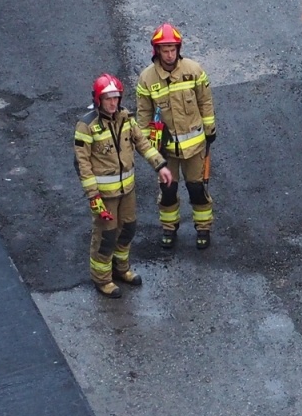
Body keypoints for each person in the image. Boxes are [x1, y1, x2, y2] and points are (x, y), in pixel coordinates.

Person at [75, 74, 173, 298]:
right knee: (106, 236)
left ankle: (121, 269)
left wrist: (161, 166)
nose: (113, 103)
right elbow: (83, 164)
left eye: (116, 98)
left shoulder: (126, 118)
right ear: (98, 99)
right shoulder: (86, 126)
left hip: (127, 191)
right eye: (108, 98)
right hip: (104, 196)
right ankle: (102, 279)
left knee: (127, 229)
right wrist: (93, 196)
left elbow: (143, 143)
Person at [135, 22, 217, 249]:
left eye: (173, 50)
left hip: (195, 148)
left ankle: (203, 229)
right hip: (166, 151)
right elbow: (143, 116)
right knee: (168, 192)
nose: (170, 55)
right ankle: (169, 228)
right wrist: (150, 150)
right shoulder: (146, 79)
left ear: (178, 49)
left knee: (197, 190)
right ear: (157, 51)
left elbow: (205, 102)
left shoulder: (194, 70)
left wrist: (210, 131)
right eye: (165, 50)